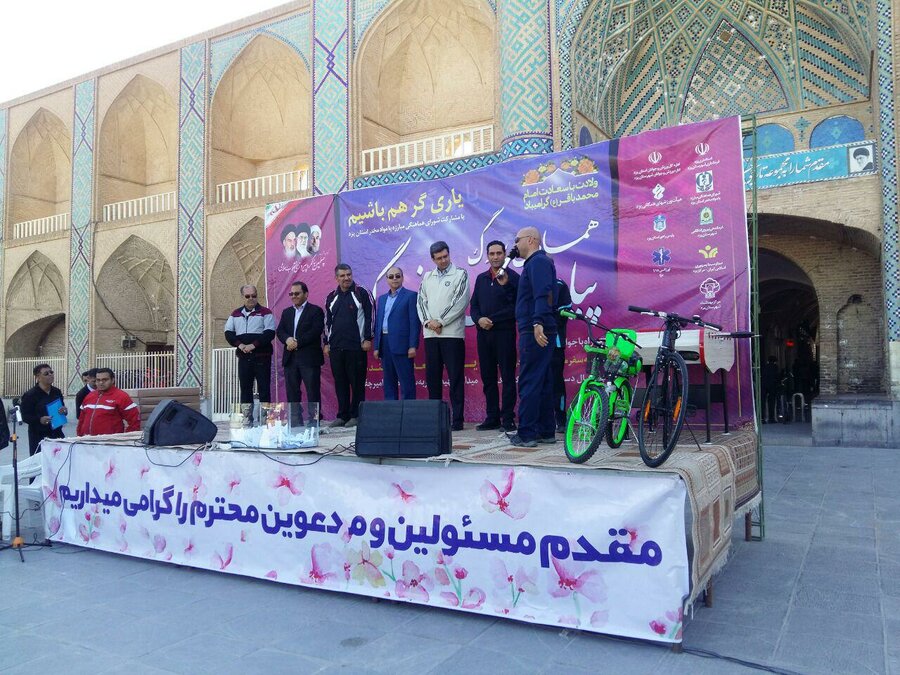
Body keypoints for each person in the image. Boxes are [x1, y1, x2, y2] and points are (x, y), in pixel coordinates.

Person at [509, 227, 558, 448]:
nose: (515, 245)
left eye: (517, 240)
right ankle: (545, 430)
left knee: (529, 380)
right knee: (543, 380)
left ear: (530, 240)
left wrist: (537, 322)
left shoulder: (538, 262)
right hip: (538, 327)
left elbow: (542, 294)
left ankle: (526, 433)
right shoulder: (536, 263)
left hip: (535, 330)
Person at [417, 241, 470, 431]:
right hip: (431, 335)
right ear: (433, 259)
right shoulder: (427, 276)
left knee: (455, 378)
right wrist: (428, 322)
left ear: (449, 254)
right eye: (439, 258)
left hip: (452, 335)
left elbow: (460, 301)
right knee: (433, 378)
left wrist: (440, 322)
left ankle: (457, 420)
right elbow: (421, 301)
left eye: (445, 256)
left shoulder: (460, 274)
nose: (443, 260)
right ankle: (436, 418)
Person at [470, 240, 519, 432]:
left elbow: (516, 307)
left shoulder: (513, 278)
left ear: (505, 254)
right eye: (492, 253)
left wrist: (492, 320)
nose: (495, 257)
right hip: (484, 335)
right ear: (487, 256)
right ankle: (492, 417)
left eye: (499, 253)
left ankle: (507, 418)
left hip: (504, 334)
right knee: (488, 377)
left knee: (507, 377)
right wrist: (479, 319)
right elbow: (474, 306)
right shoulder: (481, 278)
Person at [324, 264, 374, 427]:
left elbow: (370, 316)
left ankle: (356, 415)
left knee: (357, 383)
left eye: (349, 274)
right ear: (336, 278)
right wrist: (326, 342)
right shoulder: (331, 296)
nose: (346, 278)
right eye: (342, 275)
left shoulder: (362, 292)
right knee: (340, 382)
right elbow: (327, 321)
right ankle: (342, 415)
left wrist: (368, 338)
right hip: (336, 347)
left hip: (356, 346)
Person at [276, 281, 325, 426]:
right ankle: (295, 420)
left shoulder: (315, 311)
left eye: (297, 293)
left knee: (312, 391)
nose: (293, 296)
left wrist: (297, 342)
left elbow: (316, 331)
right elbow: (280, 331)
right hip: (291, 358)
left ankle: (314, 420)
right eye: (291, 294)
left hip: (309, 358)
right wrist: (287, 339)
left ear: (306, 294)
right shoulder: (287, 312)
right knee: (292, 392)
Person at [224, 284, 276, 409]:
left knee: (264, 388)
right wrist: (240, 345)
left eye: (254, 295)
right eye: (247, 296)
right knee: (245, 389)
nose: (251, 298)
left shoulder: (266, 312)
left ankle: (266, 417)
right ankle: (247, 418)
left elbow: (269, 333)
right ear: (242, 297)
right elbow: (228, 333)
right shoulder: (235, 314)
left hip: (262, 358)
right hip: (244, 358)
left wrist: (253, 345)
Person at [373, 267, 421, 400]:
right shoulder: (382, 299)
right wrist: (377, 346)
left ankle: (408, 410)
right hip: (385, 343)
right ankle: (391, 409)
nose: (394, 279)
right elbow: (378, 323)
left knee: (406, 381)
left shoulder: (411, 296)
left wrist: (413, 346)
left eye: (397, 276)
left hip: (402, 345)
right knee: (388, 381)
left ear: (402, 278)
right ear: (387, 280)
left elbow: (414, 322)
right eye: (391, 276)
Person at [19, 364, 67, 455]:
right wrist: (40, 420)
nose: (50, 375)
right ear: (38, 377)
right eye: (46, 373)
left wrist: (64, 411)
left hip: (57, 434)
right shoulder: (30, 395)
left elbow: (62, 409)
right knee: (42, 461)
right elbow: (25, 416)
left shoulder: (56, 391)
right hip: (39, 436)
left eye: (51, 372)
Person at [77, 368, 140, 436]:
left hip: (110, 441)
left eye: (105, 380)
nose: (101, 382)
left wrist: (126, 438)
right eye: (98, 380)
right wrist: (79, 436)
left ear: (112, 380)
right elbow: (81, 420)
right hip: (87, 440)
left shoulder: (121, 396)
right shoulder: (89, 396)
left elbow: (134, 421)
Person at [552, 278, 573, 432]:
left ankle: (560, 419)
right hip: (534, 345)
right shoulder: (530, 283)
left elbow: (564, 312)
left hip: (555, 344)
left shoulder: (559, 285)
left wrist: (543, 322)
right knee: (536, 382)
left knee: (556, 382)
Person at [761, 356, 779, 423]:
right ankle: (771, 418)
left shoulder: (764, 367)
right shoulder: (775, 367)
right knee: (772, 402)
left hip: (763, 385)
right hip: (772, 386)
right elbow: (777, 376)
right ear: (775, 361)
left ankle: (762, 418)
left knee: (762, 402)